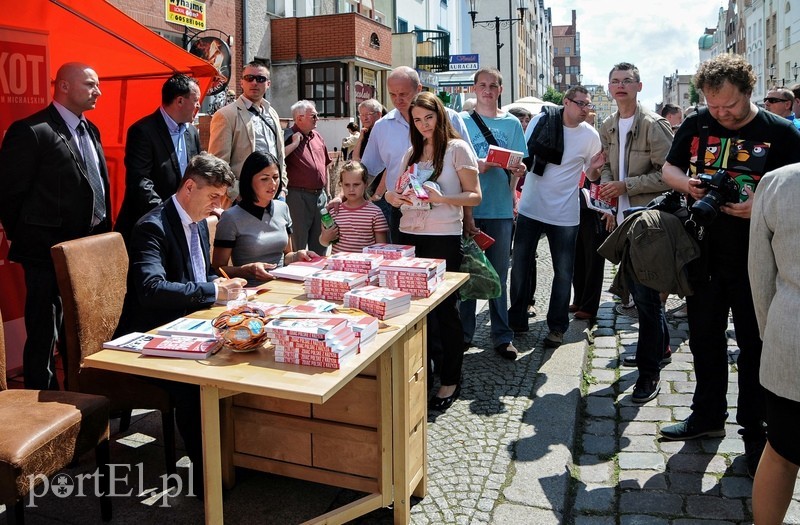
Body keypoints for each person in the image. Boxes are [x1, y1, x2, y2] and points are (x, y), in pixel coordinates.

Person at [658, 53, 800, 479]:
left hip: (760, 258)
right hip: (702, 251)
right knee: (703, 337)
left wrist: (759, 206)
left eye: (730, 106)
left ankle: (756, 433)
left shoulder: (781, 133)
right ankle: (706, 414)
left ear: (749, 92)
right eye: (714, 106)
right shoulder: (698, 123)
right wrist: (689, 184)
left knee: (756, 346)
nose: (721, 114)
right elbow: (669, 168)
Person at [115, 153, 246, 490]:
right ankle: (208, 480)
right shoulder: (151, 227)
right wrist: (213, 292)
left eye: (223, 199)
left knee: (245, 351)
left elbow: (200, 277)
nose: (219, 207)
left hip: (190, 324)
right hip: (151, 332)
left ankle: (241, 456)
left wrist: (231, 287)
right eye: (213, 197)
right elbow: (151, 289)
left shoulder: (200, 222)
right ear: (190, 187)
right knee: (195, 385)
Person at [0, 62, 110, 390]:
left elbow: (97, 183)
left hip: (87, 249)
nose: (98, 92)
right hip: (45, 254)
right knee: (45, 330)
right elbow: (9, 195)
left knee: (82, 327)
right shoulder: (33, 131)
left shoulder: (91, 130)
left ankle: (80, 393)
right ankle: (41, 397)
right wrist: (34, 243)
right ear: (63, 86)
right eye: (90, 84)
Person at [384, 91, 481, 411]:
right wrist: (395, 198)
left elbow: (474, 196)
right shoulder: (412, 152)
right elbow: (393, 192)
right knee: (416, 308)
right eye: (417, 119)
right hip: (410, 233)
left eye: (429, 117)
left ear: (440, 116)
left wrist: (442, 199)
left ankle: (451, 376)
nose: (423, 124)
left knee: (445, 309)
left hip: (443, 234)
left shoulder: (456, 149)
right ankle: (425, 369)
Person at [593, 62, 675, 403]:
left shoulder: (653, 125)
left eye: (627, 81)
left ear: (639, 86)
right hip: (625, 220)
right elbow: (610, 165)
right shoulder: (609, 124)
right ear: (610, 88)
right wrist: (612, 191)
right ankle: (662, 348)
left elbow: (671, 175)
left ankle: (648, 372)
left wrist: (627, 185)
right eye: (615, 81)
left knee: (646, 299)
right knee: (641, 297)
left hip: (650, 223)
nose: (621, 86)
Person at [508, 86, 603, 348]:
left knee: (563, 272)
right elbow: (525, 157)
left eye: (588, 104)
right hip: (531, 206)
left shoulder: (590, 136)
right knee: (520, 265)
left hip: (564, 213)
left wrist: (594, 170)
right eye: (581, 103)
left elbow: (591, 176)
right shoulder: (542, 119)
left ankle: (557, 327)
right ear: (566, 102)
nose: (585, 108)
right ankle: (516, 319)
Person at [458, 67, 527, 360]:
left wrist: (517, 174)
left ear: (500, 89)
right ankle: (463, 334)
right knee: (467, 273)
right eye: (482, 85)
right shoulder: (461, 121)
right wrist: (477, 163)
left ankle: (502, 335)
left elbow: (519, 165)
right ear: (474, 88)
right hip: (468, 208)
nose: (487, 90)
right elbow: (453, 157)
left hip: (499, 207)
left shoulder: (512, 124)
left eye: (493, 86)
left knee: (499, 272)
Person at [360, 66, 472, 242]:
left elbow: (468, 178)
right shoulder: (382, 127)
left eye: (403, 94)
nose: (398, 100)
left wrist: (468, 216)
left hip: (445, 215)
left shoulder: (451, 118)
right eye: (392, 94)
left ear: (419, 89)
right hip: (401, 210)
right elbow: (367, 171)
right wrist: (344, 198)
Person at [748, 163, 800, 525]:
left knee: (782, 451)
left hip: (791, 337)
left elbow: (760, 273)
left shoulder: (780, 182)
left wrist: (772, 334)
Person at [115, 74, 202, 243]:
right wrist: (168, 213)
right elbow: (139, 182)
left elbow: (197, 173)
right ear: (180, 101)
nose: (199, 105)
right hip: (150, 225)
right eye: (196, 100)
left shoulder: (191, 132)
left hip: (184, 223)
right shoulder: (143, 131)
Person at [211, 151, 318, 284]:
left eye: (275, 177)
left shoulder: (283, 208)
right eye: (264, 178)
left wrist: (298, 255)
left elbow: (286, 255)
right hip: (251, 290)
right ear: (249, 180)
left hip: (283, 285)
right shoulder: (230, 218)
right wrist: (247, 270)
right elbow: (217, 269)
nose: (273, 184)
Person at [209, 61, 287, 200]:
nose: (254, 83)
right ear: (241, 82)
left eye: (260, 79)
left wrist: (283, 188)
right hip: (243, 199)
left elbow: (280, 155)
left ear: (268, 84)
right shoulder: (226, 115)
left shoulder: (272, 113)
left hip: (274, 195)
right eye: (249, 78)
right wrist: (239, 194)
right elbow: (218, 164)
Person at [283, 100, 332, 255]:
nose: (317, 118)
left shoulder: (317, 136)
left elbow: (325, 165)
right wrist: (294, 144)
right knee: (298, 244)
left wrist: (327, 192)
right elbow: (276, 159)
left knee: (322, 240)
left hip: (320, 196)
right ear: (299, 118)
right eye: (313, 116)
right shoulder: (287, 136)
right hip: (298, 197)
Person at [319, 160, 388, 253]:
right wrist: (325, 237)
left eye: (356, 184)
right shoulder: (333, 212)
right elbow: (324, 242)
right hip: (338, 265)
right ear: (341, 185)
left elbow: (381, 248)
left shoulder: (375, 213)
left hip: (366, 265)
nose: (351, 189)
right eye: (347, 185)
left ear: (365, 184)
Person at [351, 98, 384, 162]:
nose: (364, 118)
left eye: (368, 114)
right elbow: (355, 159)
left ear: (379, 114)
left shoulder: (386, 132)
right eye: (362, 115)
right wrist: (360, 139)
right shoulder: (365, 133)